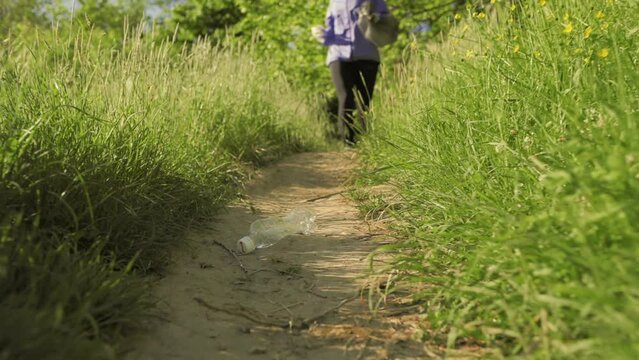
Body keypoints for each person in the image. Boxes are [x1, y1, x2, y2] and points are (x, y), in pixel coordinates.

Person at [312, 0, 391, 145]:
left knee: (364, 98)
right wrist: (322, 35)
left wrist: (375, 17)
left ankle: (365, 140)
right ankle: (348, 141)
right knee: (345, 96)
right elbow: (330, 33)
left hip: (367, 55)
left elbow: (387, 21)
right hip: (339, 55)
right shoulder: (334, 2)